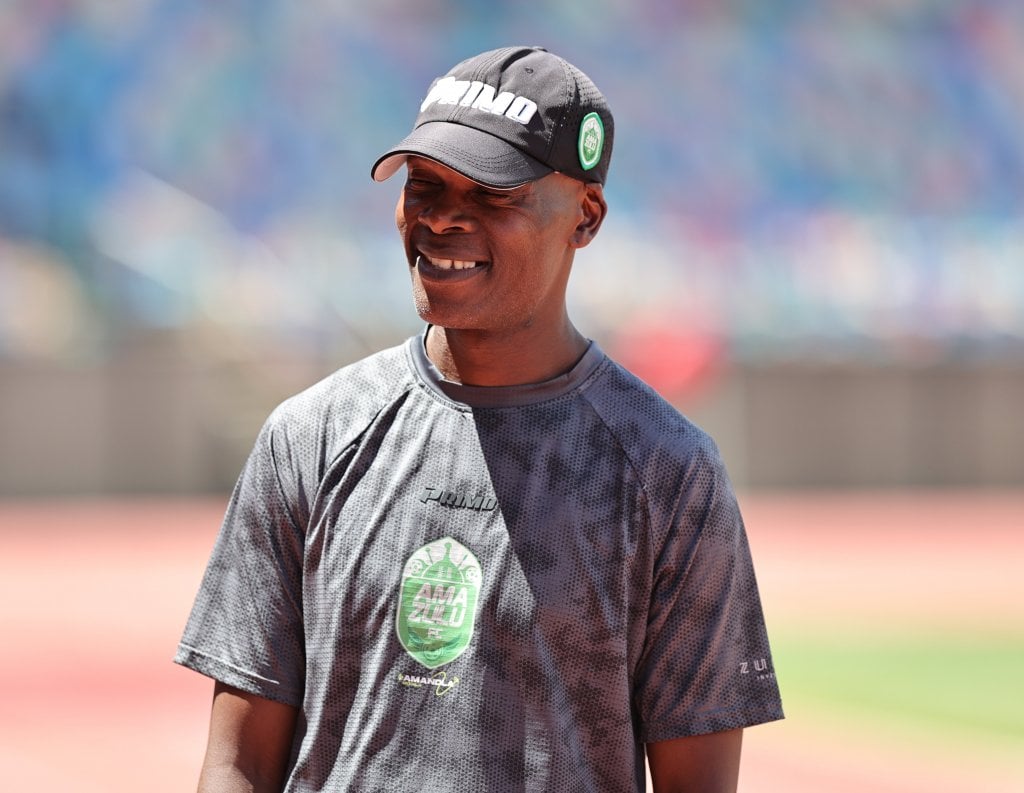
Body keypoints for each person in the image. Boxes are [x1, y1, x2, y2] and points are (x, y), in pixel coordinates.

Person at [175, 45, 784, 793]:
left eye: (494, 196)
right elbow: (240, 760)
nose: (441, 218)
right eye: (424, 185)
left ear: (585, 217)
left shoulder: (669, 473)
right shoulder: (310, 438)